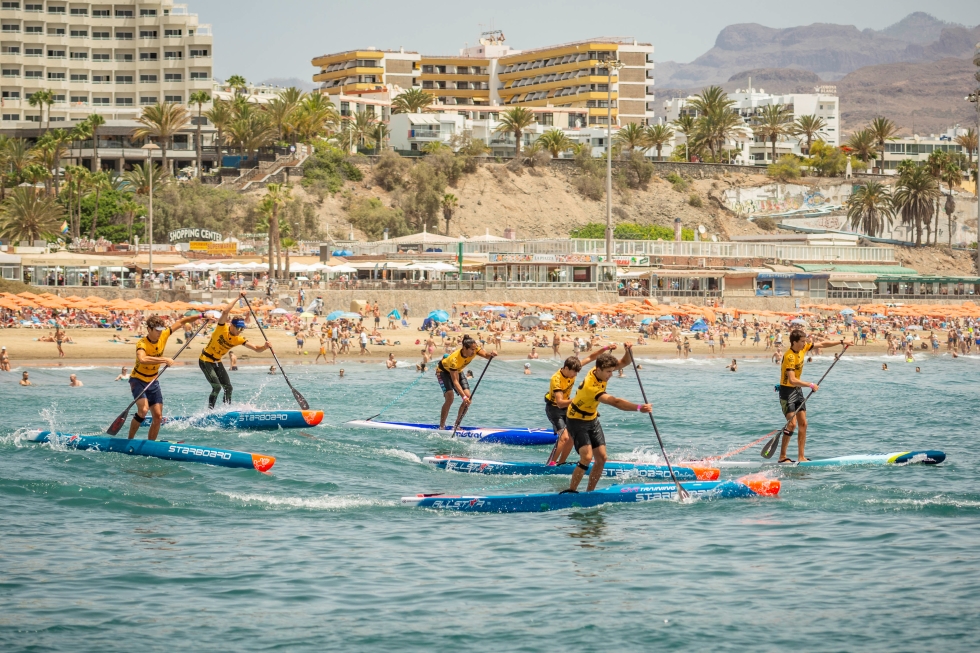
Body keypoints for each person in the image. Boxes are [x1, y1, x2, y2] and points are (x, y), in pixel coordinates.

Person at [564, 346, 652, 493]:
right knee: (586, 457)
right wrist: (638, 408)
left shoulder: (600, 369)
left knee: (602, 458)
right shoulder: (592, 387)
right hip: (576, 420)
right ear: (598, 370)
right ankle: (571, 491)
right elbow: (615, 402)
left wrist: (628, 351)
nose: (611, 375)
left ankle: (590, 492)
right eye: (608, 372)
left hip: (591, 418)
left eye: (612, 371)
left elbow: (624, 362)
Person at [128, 312, 204, 441]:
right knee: (143, 411)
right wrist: (164, 360)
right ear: (149, 329)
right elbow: (142, 359)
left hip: (153, 380)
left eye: (161, 330)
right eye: (157, 330)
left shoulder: (164, 334)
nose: (159, 333)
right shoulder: (142, 343)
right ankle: (129, 440)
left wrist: (201, 316)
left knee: (158, 416)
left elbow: (181, 321)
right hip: (138, 380)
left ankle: (151, 444)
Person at [776, 330, 849, 463]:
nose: (805, 343)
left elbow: (822, 344)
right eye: (802, 341)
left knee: (803, 423)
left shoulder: (803, 349)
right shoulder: (789, 356)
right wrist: (810, 385)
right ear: (794, 342)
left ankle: (801, 457)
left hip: (797, 391)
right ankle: (782, 457)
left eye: (805, 341)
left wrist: (842, 342)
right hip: (787, 392)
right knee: (792, 424)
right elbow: (792, 380)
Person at [546, 344, 618, 466]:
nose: (575, 375)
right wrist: (579, 399)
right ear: (566, 368)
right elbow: (560, 403)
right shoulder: (556, 379)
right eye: (573, 372)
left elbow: (591, 357)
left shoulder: (573, 367)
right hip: (554, 408)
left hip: (567, 408)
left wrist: (606, 348)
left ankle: (561, 463)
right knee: (564, 437)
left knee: (571, 437)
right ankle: (550, 464)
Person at [199, 292, 272, 410]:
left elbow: (256, 348)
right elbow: (225, 311)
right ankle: (209, 411)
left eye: (242, 329)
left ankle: (226, 410)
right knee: (217, 387)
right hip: (205, 360)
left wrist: (265, 346)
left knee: (228, 387)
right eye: (238, 328)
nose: (239, 331)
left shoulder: (238, 339)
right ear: (232, 325)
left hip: (217, 361)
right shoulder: (222, 328)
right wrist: (238, 297)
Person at [436, 335, 497, 429]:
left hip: (458, 371)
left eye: (475, 349)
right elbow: (455, 381)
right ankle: (441, 426)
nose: (474, 351)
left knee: (468, 398)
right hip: (443, 372)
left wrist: (492, 354)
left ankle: (456, 425)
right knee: (450, 398)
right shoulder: (454, 359)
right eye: (472, 350)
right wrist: (463, 397)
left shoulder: (474, 349)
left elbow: (486, 355)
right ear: (464, 348)